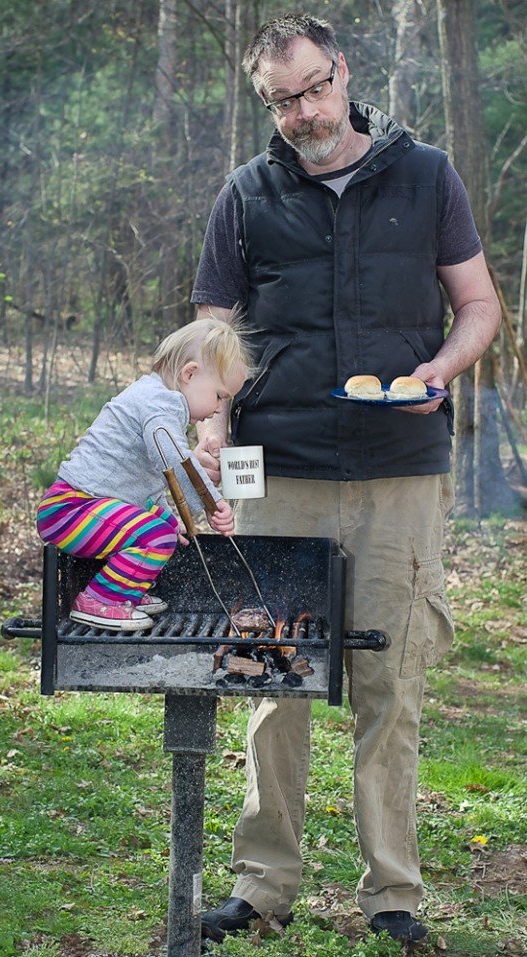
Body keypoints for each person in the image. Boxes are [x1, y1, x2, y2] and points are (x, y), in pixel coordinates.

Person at [191, 13, 501, 945]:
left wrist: (439, 374)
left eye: (315, 88)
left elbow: (479, 303)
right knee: (270, 678)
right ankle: (262, 884)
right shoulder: (245, 196)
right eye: (281, 101)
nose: (303, 112)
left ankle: (393, 895)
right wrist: (211, 434)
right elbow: (211, 336)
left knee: (388, 683)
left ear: (344, 72)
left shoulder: (428, 174)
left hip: (399, 472)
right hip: (276, 472)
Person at [36, 317, 251, 630]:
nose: (220, 409)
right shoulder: (161, 405)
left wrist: (170, 513)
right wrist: (214, 503)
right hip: (70, 509)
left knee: (166, 524)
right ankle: (100, 601)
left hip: (86, 505)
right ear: (189, 373)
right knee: (158, 536)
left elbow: (146, 481)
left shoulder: (154, 396)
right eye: (219, 396)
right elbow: (179, 461)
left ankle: (128, 589)